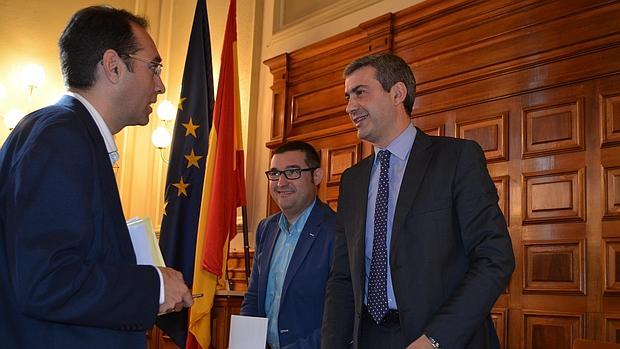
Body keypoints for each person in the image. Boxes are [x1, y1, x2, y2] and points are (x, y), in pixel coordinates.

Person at [0, 6, 193, 349]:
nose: (161, 85)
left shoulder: (62, 130)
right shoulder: (61, 137)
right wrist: (155, 286)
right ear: (113, 66)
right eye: (155, 68)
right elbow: (47, 281)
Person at [321, 53, 515, 349]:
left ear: (397, 93)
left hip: (442, 338)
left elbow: (494, 259)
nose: (350, 107)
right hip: (369, 338)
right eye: (348, 96)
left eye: (360, 92)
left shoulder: (457, 158)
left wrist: (435, 339)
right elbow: (342, 277)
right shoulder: (352, 180)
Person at [241, 141, 336, 349]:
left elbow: (338, 320)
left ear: (316, 176)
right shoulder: (266, 228)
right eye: (274, 173)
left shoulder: (338, 231)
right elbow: (254, 296)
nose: (281, 182)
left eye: (292, 172)